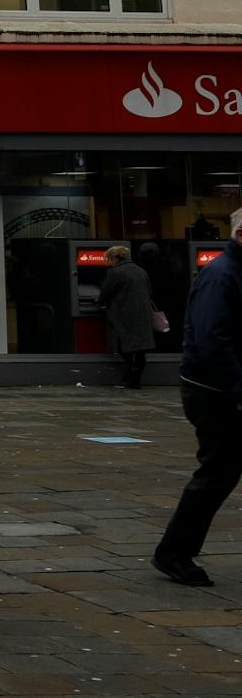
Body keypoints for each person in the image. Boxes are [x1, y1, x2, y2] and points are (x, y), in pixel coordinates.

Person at [155, 208, 242, 587]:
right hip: (216, 393)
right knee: (217, 473)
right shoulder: (221, 276)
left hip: (223, 388)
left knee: (218, 473)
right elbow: (212, 343)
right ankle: (174, 552)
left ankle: (175, 550)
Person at [101, 244, 158, 389]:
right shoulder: (141, 271)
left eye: (108, 258)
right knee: (140, 349)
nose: (107, 261)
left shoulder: (115, 272)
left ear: (115, 258)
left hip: (123, 314)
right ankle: (134, 379)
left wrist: (100, 302)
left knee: (122, 346)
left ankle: (131, 376)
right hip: (142, 314)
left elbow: (105, 293)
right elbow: (150, 291)